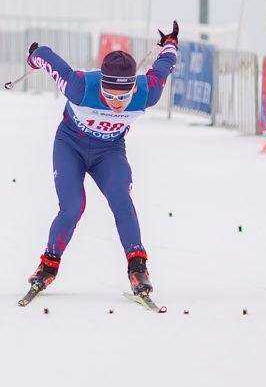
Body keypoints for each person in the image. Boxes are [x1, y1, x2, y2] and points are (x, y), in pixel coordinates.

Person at [23, 21, 179, 302]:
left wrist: (170, 43)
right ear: (101, 88)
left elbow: (164, 65)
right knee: (72, 207)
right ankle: (49, 264)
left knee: (121, 198)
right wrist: (34, 57)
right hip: (70, 146)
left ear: (133, 89)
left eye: (123, 96)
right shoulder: (80, 86)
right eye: (109, 96)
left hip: (109, 152)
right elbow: (48, 57)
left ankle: (137, 266)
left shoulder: (147, 92)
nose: (117, 103)